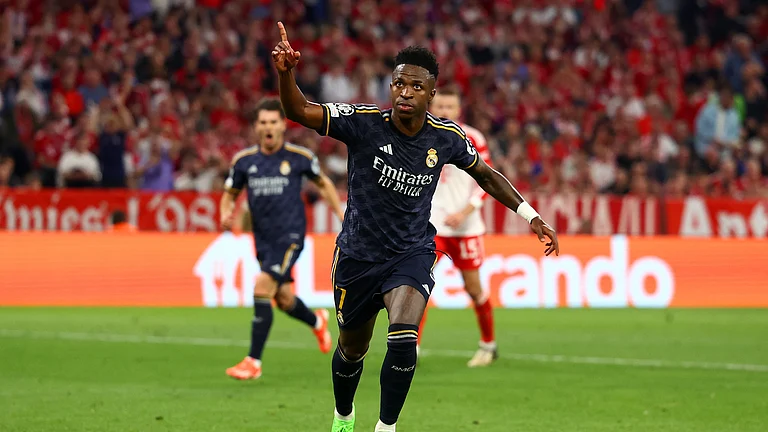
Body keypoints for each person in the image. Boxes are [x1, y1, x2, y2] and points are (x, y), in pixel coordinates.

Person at [273, 22, 559, 432]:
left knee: (404, 335)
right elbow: (298, 111)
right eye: (398, 84)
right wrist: (286, 74)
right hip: (357, 254)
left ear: (431, 95)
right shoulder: (363, 122)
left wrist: (531, 215)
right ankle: (343, 415)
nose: (405, 92)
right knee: (352, 350)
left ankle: (386, 427)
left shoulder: (447, 137)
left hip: (411, 252)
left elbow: (486, 174)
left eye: (415, 86)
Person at [220, 97, 345, 381]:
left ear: (282, 125)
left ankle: (253, 361)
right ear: (256, 126)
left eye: (273, 122)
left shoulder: (299, 157)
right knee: (283, 298)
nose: (268, 127)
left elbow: (323, 182)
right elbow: (229, 195)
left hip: (290, 236)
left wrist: (340, 213)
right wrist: (226, 214)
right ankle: (317, 320)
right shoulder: (244, 162)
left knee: (262, 288)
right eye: (263, 122)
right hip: (262, 240)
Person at [419, 86, 497, 367]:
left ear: (458, 110)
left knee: (474, 289)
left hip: (466, 227)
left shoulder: (473, 137)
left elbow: (488, 181)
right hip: (432, 227)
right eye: (439, 106)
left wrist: (465, 211)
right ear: (430, 106)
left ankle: (488, 345)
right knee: (417, 285)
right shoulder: (419, 133)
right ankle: (410, 349)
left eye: (449, 107)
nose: (444, 112)